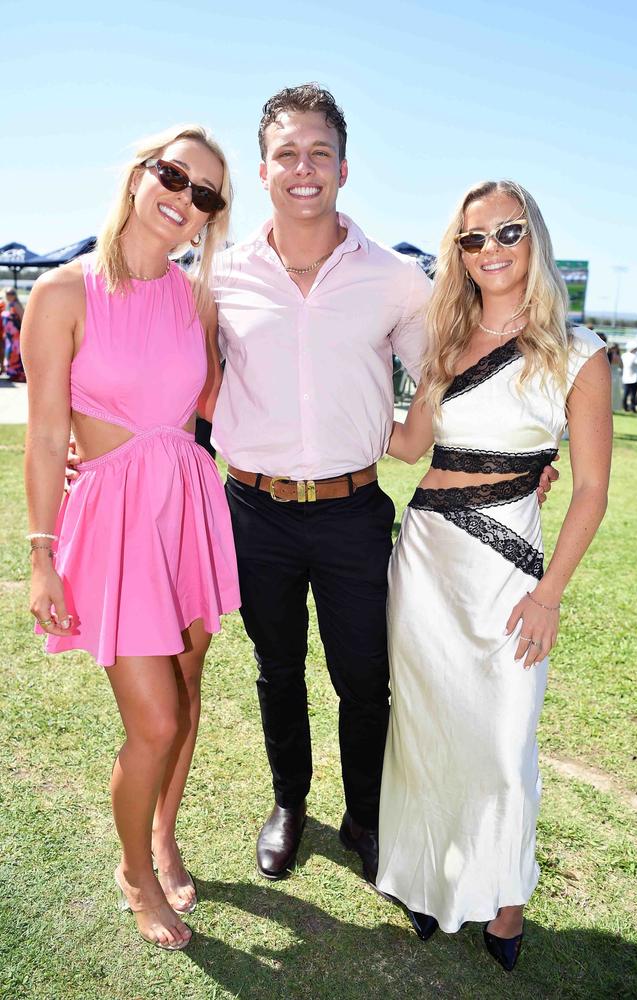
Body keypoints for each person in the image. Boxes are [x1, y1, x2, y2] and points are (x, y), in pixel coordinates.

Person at [210, 84, 557, 886]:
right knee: (275, 667)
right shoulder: (221, 278)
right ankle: (290, 803)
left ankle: (364, 816)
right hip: (252, 508)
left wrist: (516, 461)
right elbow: (178, 379)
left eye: (319, 153)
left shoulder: (397, 280)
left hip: (351, 511)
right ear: (264, 170)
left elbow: (453, 374)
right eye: (288, 154)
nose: (305, 169)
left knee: (364, 676)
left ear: (343, 167)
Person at [376, 180, 611, 971]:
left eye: (506, 232)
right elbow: (409, 447)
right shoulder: (445, 341)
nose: (491, 250)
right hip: (425, 560)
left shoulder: (579, 356)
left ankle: (506, 902)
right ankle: (423, 876)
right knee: (424, 726)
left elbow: (593, 491)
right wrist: (318, 397)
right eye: (473, 240)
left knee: (504, 741)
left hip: (509, 573)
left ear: (533, 237)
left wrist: (549, 596)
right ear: (459, 254)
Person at [22, 125, 240, 951]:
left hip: (186, 509)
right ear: (140, 173)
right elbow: (46, 438)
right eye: (174, 175)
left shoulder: (197, 299)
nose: (184, 198)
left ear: (210, 218)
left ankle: (163, 832)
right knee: (154, 720)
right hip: (111, 525)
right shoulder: (63, 293)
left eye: (205, 194)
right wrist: (42, 554)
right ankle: (133, 871)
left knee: (186, 690)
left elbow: (222, 404)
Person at [2, 287, 25, 381]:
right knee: (10, 353)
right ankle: (12, 373)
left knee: (15, 353)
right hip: (9, 336)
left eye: (12, 293)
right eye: (8, 293)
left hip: (16, 335)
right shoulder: (7, 305)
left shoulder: (16, 304)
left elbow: (23, 318)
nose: (9, 295)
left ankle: (18, 374)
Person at [621, 341, 637, 412]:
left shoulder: (624, 355)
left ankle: (625, 407)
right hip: (632, 378)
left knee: (626, 393)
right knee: (632, 394)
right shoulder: (634, 356)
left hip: (627, 378)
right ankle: (632, 407)